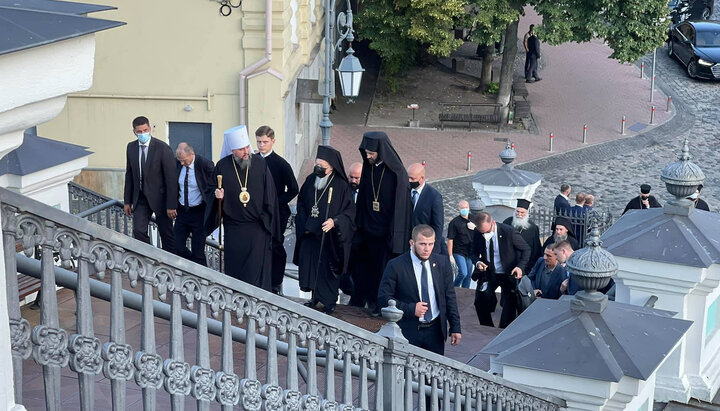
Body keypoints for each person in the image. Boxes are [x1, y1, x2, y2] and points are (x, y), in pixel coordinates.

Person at [206, 125, 280, 291]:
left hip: (257, 228)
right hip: (234, 229)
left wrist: (268, 222)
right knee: (236, 269)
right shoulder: (223, 167)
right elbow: (211, 190)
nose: (247, 151)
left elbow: (270, 195)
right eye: (241, 149)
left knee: (255, 270)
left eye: (247, 146)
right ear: (232, 151)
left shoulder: (260, 163)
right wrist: (217, 195)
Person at [378, 224, 462, 355]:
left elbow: (449, 296)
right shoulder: (396, 266)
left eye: (431, 244)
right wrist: (411, 309)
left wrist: (455, 327)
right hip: (408, 332)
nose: (427, 249)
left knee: (434, 373)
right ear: (412, 243)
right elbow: (383, 299)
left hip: (435, 332)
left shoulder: (442, 263)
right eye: (422, 244)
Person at [353, 131, 413, 316]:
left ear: (381, 151)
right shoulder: (369, 168)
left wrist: (393, 234)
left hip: (387, 234)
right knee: (367, 269)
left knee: (383, 272)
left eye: (371, 153)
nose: (368, 156)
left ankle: (382, 305)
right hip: (369, 231)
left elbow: (401, 209)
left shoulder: (397, 173)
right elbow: (363, 198)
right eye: (366, 153)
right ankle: (369, 300)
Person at [294, 146, 355, 314]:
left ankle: (328, 302)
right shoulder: (310, 180)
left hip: (329, 239)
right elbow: (301, 204)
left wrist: (335, 222)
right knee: (312, 268)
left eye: (322, 165)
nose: (318, 168)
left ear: (332, 167)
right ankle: (315, 298)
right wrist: (305, 225)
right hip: (310, 234)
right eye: (317, 163)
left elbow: (349, 213)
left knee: (326, 270)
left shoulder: (341, 186)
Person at [255, 126, 299, 295]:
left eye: (265, 142)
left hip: (277, 214)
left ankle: (275, 283)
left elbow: (293, 189)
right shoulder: (252, 160)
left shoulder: (281, 164)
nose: (261, 145)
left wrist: (275, 202)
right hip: (256, 213)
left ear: (273, 141)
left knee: (275, 247)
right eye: (259, 141)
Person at [123, 116, 177, 252]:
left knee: (167, 235)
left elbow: (171, 179)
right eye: (139, 131)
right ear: (134, 132)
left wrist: (171, 205)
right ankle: (151, 258)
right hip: (140, 197)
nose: (143, 134)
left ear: (150, 128)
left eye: (145, 130)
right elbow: (129, 174)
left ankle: (171, 266)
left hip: (161, 199)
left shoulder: (163, 148)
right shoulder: (131, 147)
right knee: (138, 231)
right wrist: (127, 201)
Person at [471, 212, 530, 328]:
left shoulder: (509, 232)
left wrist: (520, 267)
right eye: (483, 232)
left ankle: (504, 329)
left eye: (487, 232)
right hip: (489, 272)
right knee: (480, 300)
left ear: (493, 223)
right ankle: (487, 327)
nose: (485, 234)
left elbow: (526, 249)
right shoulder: (478, 233)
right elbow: (472, 252)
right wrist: (477, 262)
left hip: (508, 272)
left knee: (510, 304)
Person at [174, 143, 215, 266]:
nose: (182, 163)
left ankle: (203, 278)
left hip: (199, 212)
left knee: (198, 252)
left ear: (192, 154)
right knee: (176, 245)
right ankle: (191, 265)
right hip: (182, 211)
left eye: (184, 160)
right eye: (180, 160)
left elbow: (212, 188)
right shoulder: (177, 164)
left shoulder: (205, 165)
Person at [408, 163, 446, 255]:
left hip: (424, 244)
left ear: (421, 179)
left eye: (412, 178)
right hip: (408, 243)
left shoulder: (434, 196)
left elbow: (438, 225)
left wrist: (433, 250)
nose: (409, 180)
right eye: (408, 177)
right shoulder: (405, 191)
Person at [502, 199, 542, 274]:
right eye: (517, 211)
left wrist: (530, 267)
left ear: (527, 213)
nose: (519, 214)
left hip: (524, 266)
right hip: (507, 264)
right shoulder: (507, 222)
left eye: (522, 212)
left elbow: (536, 249)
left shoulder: (533, 228)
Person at [449, 200, 477, 288]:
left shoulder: (474, 219)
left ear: (469, 208)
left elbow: (481, 231)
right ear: (459, 209)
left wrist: (475, 228)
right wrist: (450, 255)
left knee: (468, 275)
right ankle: (454, 288)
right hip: (458, 251)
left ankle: (465, 291)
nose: (464, 209)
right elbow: (450, 239)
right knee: (463, 273)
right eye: (462, 208)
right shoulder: (454, 222)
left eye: (466, 208)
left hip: (470, 251)